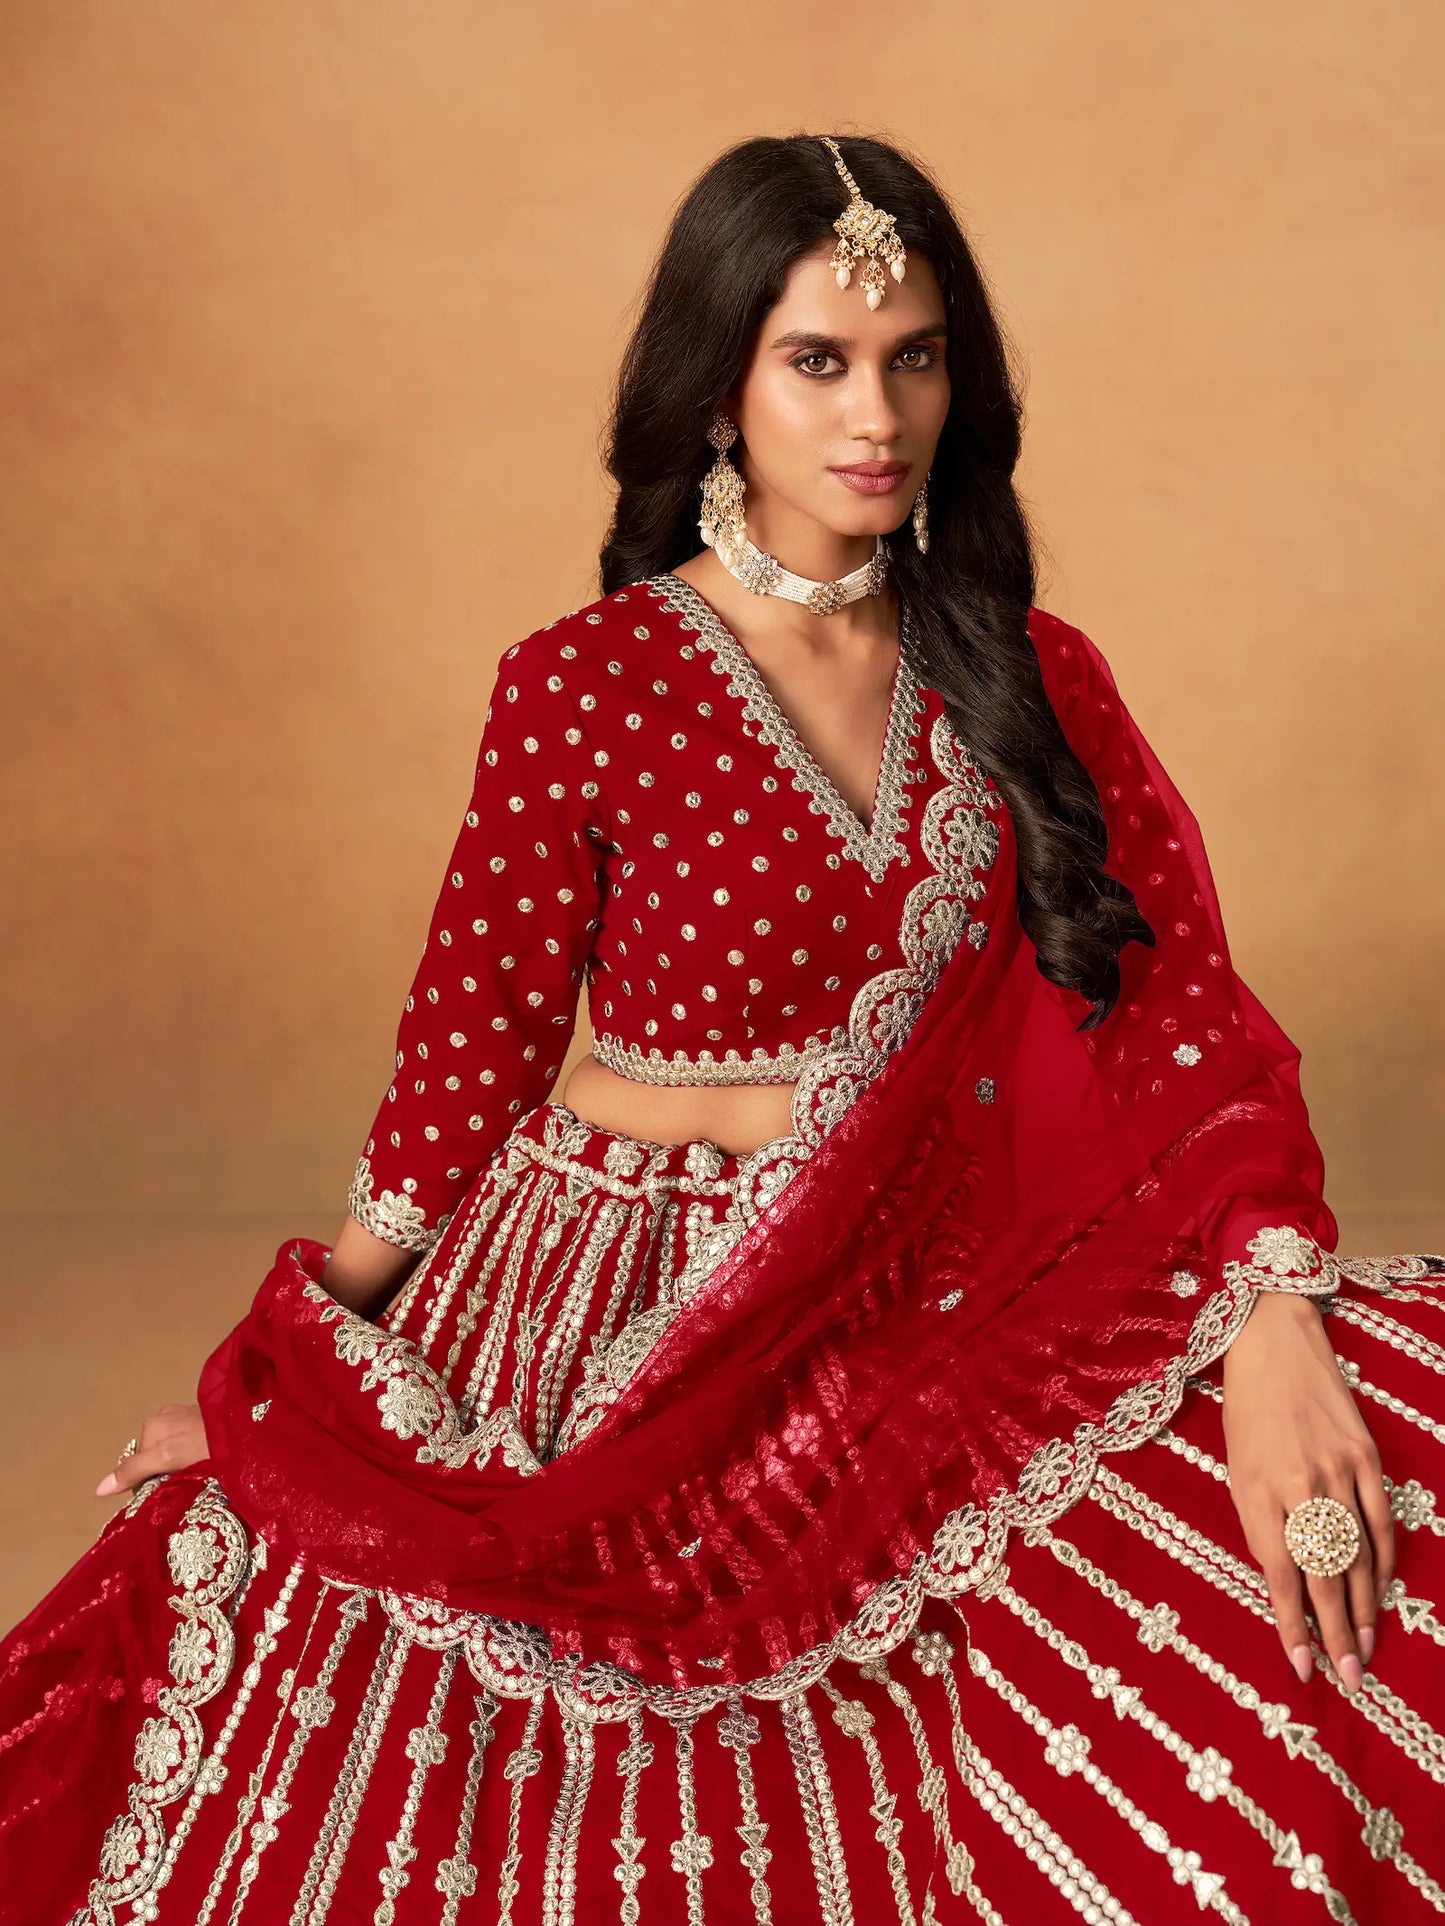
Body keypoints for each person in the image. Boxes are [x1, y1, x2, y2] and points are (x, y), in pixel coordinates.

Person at [1, 131, 1440, 1926]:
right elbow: (463, 1068)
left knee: (1367, 1480)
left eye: (913, 355)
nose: (876, 411)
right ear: (716, 385)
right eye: (816, 359)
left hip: (931, 1281)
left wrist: (1272, 1318)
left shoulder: (1028, 672)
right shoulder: (584, 682)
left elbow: (1176, 1023)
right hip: (611, 1316)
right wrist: (276, 1381)